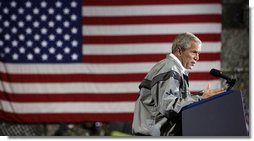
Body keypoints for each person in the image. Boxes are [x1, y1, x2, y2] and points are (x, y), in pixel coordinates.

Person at [132, 32, 225, 136]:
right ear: (179, 51)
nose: (197, 58)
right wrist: (200, 97)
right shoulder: (170, 69)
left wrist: (200, 95)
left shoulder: (173, 69)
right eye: (194, 52)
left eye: (199, 53)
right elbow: (169, 107)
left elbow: (174, 102)